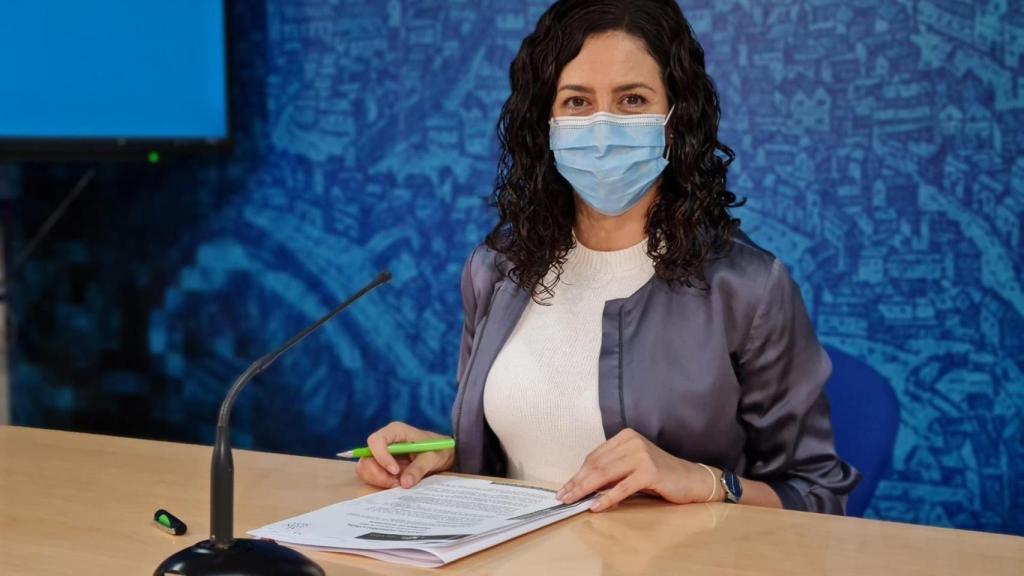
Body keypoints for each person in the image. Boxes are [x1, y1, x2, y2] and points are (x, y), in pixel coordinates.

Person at [356, 0, 859, 515]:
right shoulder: (497, 268)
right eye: (576, 102)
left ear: (675, 116)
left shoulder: (749, 286)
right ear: (544, 121)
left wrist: (704, 481)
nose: (602, 127)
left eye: (632, 100)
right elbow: (527, 459)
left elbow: (816, 495)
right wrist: (443, 459)